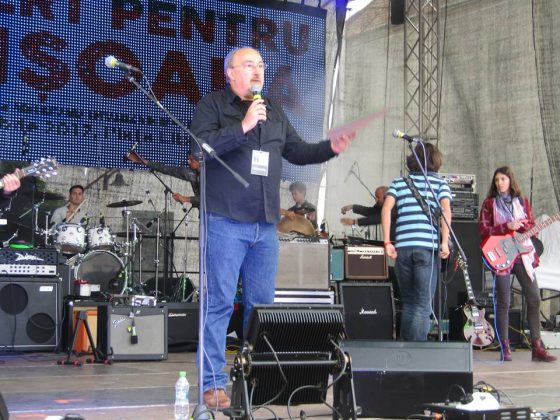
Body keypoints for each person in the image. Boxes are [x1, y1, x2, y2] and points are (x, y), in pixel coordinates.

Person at [189, 46, 354, 410]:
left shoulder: (274, 110)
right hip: (225, 220)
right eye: (249, 65)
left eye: (261, 65)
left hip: (265, 225)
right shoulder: (213, 105)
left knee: (262, 308)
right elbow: (200, 148)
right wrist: (243, 126)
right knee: (218, 303)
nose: (258, 70)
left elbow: (298, 151)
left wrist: (330, 148)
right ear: (230, 72)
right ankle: (212, 383)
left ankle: (256, 381)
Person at [479, 166, 556, 362]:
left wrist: (523, 226)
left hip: (521, 253)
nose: (499, 183)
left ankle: (537, 347)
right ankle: (505, 347)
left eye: (503, 179)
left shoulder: (522, 201)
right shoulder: (489, 203)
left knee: (534, 297)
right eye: (497, 180)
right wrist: (506, 226)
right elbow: (483, 229)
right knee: (503, 301)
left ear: (510, 181)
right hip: (501, 254)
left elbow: (531, 225)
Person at [381, 142, 452, 341]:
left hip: (403, 249)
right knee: (423, 304)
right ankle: (417, 351)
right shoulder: (439, 184)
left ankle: (406, 348)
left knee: (409, 302)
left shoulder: (399, 182)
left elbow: (386, 209)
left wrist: (387, 242)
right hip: (427, 249)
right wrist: (444, 241)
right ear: (435, 160)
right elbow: (446, 212)